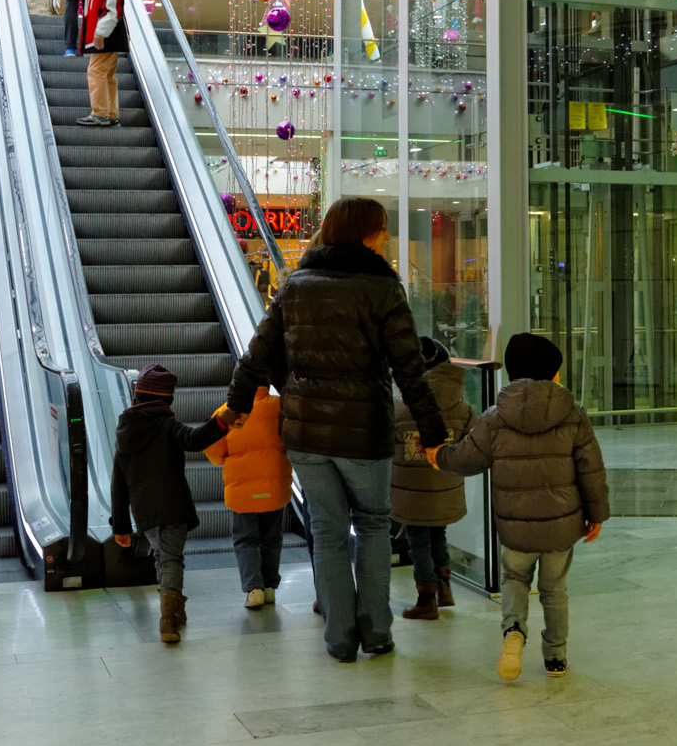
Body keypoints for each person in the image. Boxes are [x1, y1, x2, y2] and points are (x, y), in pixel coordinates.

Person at [220, 197, 447, 663]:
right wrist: (432, 431)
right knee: (373, 525)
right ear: (366, 233)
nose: (386, 238)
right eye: (383, 229)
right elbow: (409, 369)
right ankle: (377, 632)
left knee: (325, 532)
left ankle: (340, 639)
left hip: (305, 435)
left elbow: (255, 356)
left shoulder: (296, 285)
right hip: (363, 431)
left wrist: (238, 406)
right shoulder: (384, 289)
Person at [435, 333, 610, 681]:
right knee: (554, 589)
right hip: (561, 526)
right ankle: (556, 657)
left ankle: (514, 630)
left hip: (515, 526)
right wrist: (597, 515)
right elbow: (591, 469)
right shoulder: (574, 415)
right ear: (549, 373)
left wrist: (438, 455)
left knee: (515, 578)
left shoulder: (494, 418)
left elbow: (466, 460)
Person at [109, 364, 226, 644]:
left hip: (144, 512)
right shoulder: (166, 424)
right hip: (172, 506)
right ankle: (169, 618)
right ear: (166, 400)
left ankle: (175, 609)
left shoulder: (126, 430)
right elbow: (194, 440)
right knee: (170, 558)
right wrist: (223, 421)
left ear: (136, 397)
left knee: (163, 556)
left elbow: (118, 482)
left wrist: (121, 526)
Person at [391, 337, 476, 621]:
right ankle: (444, 589)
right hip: (445, 485)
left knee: (418, 543)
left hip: (412, 491)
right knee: (438, 534)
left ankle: (425, 598)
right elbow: (472, 440)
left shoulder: (401, 408)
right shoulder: (463, 408)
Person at [204, 383, 291, 609]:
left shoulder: (228, 412)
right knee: (272, 537)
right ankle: (270, 587)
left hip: (242, 490)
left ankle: (254, 590)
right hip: (274, 485)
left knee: (245, 539)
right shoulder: (280, 407)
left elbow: (213, 452)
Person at [74, 0, 131, 128]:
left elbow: (113, 8)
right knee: (107, 74)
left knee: (96, 71)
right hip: (109, 33)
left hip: (107, 34)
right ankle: (111, 114)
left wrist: (100, 32)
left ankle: (100, 113)